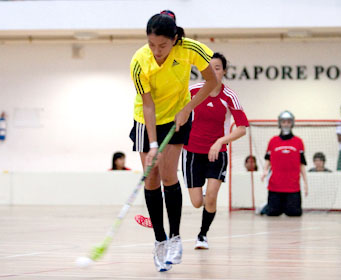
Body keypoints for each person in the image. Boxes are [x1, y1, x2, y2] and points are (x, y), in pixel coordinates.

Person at [129, 10, 217, 272]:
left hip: (178, 114)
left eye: (163, 45)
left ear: (175, 39)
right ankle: (159, 241)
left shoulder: (190, 49)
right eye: (151, 44)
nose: (157, 50)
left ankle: (176, 237)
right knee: (151, 176)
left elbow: (211, 81)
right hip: (147, 120)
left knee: (169, 175)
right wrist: (153, 145)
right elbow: (147, 106)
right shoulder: (139, 61)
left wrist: (188, 108)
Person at [183, 52, 249, 250]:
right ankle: (203, 193)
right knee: (197, 203)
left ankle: (202, 235)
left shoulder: (230, 96)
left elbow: (242, 128)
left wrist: (220, 141)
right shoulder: (192, 91)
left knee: (211, 197)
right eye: (209, 68)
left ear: (224, 71)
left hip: (217, 153)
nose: (213, 71)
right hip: (192, 151)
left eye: (217, 68)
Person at [260, 111, 308, 217]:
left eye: (288, 122)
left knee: (294, 213)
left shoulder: (298, 142)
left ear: (292, 123)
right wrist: (264, 171)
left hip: (293, 187)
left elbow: (302, 164)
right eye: (283, 122)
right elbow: (268, 159)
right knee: (273, 213)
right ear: (280, 123)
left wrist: (305, 183)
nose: (286, 124)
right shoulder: (273, 141)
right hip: (275, 186)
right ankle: (267, 206)